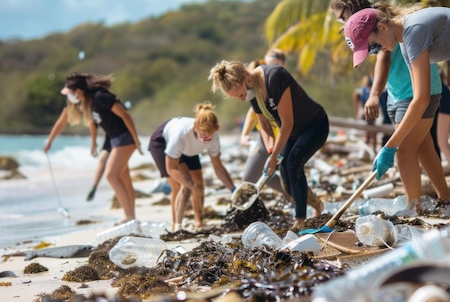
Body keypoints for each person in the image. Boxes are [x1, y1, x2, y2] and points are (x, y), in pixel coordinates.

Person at [343, 5, 450, 229]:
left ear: (383, 27)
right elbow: (418, 97)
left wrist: (391, 145)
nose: (378, 52)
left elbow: (422, 99)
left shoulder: (414, 30)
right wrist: (393, 145)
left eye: (373, 47)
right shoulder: (406, 42)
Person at [330, 0, 450, 213]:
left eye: (341, 15)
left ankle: (413, 209)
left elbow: (383, 61)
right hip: (399, 93)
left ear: (350, 7)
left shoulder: (375, 23)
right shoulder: (365, 26)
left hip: (414, 92)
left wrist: (374, 94)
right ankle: (446, 200)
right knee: (423, 146)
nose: (341, 21)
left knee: (404, 150)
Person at [209, 60, 329, 228]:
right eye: (238, 98)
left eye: (241, 95)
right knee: (286, 178)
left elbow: (287, 123)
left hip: (315, 125)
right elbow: (264, 127)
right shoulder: (253, 94)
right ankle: (317, 204)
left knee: (293, 163)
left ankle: (300, 219)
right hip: (292, 134)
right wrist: (272, 150)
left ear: (247, 79)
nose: (243, 99)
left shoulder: (275, 77)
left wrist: (273, 157)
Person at [62, 72, 143, 225]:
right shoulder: (89, 101)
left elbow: (125, 115)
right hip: (115, 139)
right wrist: (93, 143)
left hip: (124, 138)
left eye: (71, 93)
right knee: (124, 179)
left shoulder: (100, 97)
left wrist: (136, 140)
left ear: (78, 91)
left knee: (111, 175)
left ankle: (129, 217)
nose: (70, 98)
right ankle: (131, 217)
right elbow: (93, 123)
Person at [148, 102, 236, 232]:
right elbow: (171, 168)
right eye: (203, 135)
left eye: (209, 136)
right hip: (163, 142)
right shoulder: (181, 135)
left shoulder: (213, 138)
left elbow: (218, 166)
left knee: (199, 184)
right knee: (181, 185)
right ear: (195, 126)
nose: (206, 139)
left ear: (216, 129)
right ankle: (176, 226)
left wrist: (233, 189)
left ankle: (199, 223)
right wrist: (190, 185)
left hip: (190, 148)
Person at [43, 92, 111, 202]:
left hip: (116, 133)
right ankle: (94, 187)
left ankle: (96, 188)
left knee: (112, 169)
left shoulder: (90, 101)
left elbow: (92, 124)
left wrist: (93, 143)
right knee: (106, 162)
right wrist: (50, 141)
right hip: (111, 134)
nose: (78, 108)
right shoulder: (73, 103)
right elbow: (61, 123)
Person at [352, 74, 377, 151]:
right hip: (372, 112)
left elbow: (355, 95)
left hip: (366, 111)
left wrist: (357, 112)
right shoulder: (372, 89)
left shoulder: (362, 90)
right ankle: (372, 149)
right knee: (372, 133)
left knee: (368, 133)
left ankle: (368, 149)